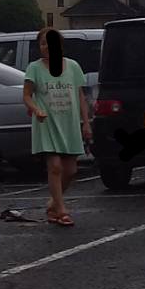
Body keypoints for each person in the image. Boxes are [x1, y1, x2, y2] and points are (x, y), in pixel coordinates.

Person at [23, 27, 91, 226]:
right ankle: (61, 210)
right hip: (46, 123)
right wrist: (36, 110)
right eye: (43, 44)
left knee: (70, 171)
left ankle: (53, 204)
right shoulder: (34, 68)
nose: (46, 47)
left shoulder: (73, 67)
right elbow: (26, 95)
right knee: (54, 167)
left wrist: (86, 123)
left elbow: (80, 97)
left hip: (68, 123)